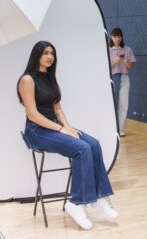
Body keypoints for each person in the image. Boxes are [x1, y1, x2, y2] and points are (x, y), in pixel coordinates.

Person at [18, 41, 118, 230]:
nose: (50, 57)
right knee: (82, 149)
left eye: (52, 53)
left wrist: (68, 127)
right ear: (37, 55)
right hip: (36, 131)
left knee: (94, 144)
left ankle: (98, 197)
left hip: (54, 127)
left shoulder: (49, 77)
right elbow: (32, 114)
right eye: (46, 53)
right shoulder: (27, 80)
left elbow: (57, 108)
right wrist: (60, 130)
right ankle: (77, 202)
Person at [109, 28, 136, 137]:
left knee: (124, 104)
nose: (117, 39)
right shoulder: (108, 50)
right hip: (112, 77)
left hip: (124, 78)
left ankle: (120, 129)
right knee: (112, 103)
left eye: (119, 36)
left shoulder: (127, 49)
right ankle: (111, 127)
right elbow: (105, 66)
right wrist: (115, 60)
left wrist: (125, 61)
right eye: (115, 36)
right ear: (111, 37)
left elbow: (131, 66)